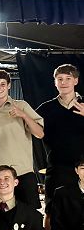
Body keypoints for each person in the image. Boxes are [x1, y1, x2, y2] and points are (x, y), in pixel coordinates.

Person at [0, 69, 44, 209]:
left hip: (21, 172)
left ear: (9, 85)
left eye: (2, 84)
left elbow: (40, 134)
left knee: (29, 215)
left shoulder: (21, 105)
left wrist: (24, 115)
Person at [36, 64, 84, 207]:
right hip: (57, 168)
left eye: (68, 78)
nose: (64, 82)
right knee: (52, 210)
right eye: (60, 79)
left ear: (76, 81)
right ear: (55, 82)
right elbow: (29, 127)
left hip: (82, 168)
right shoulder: (45, 108)